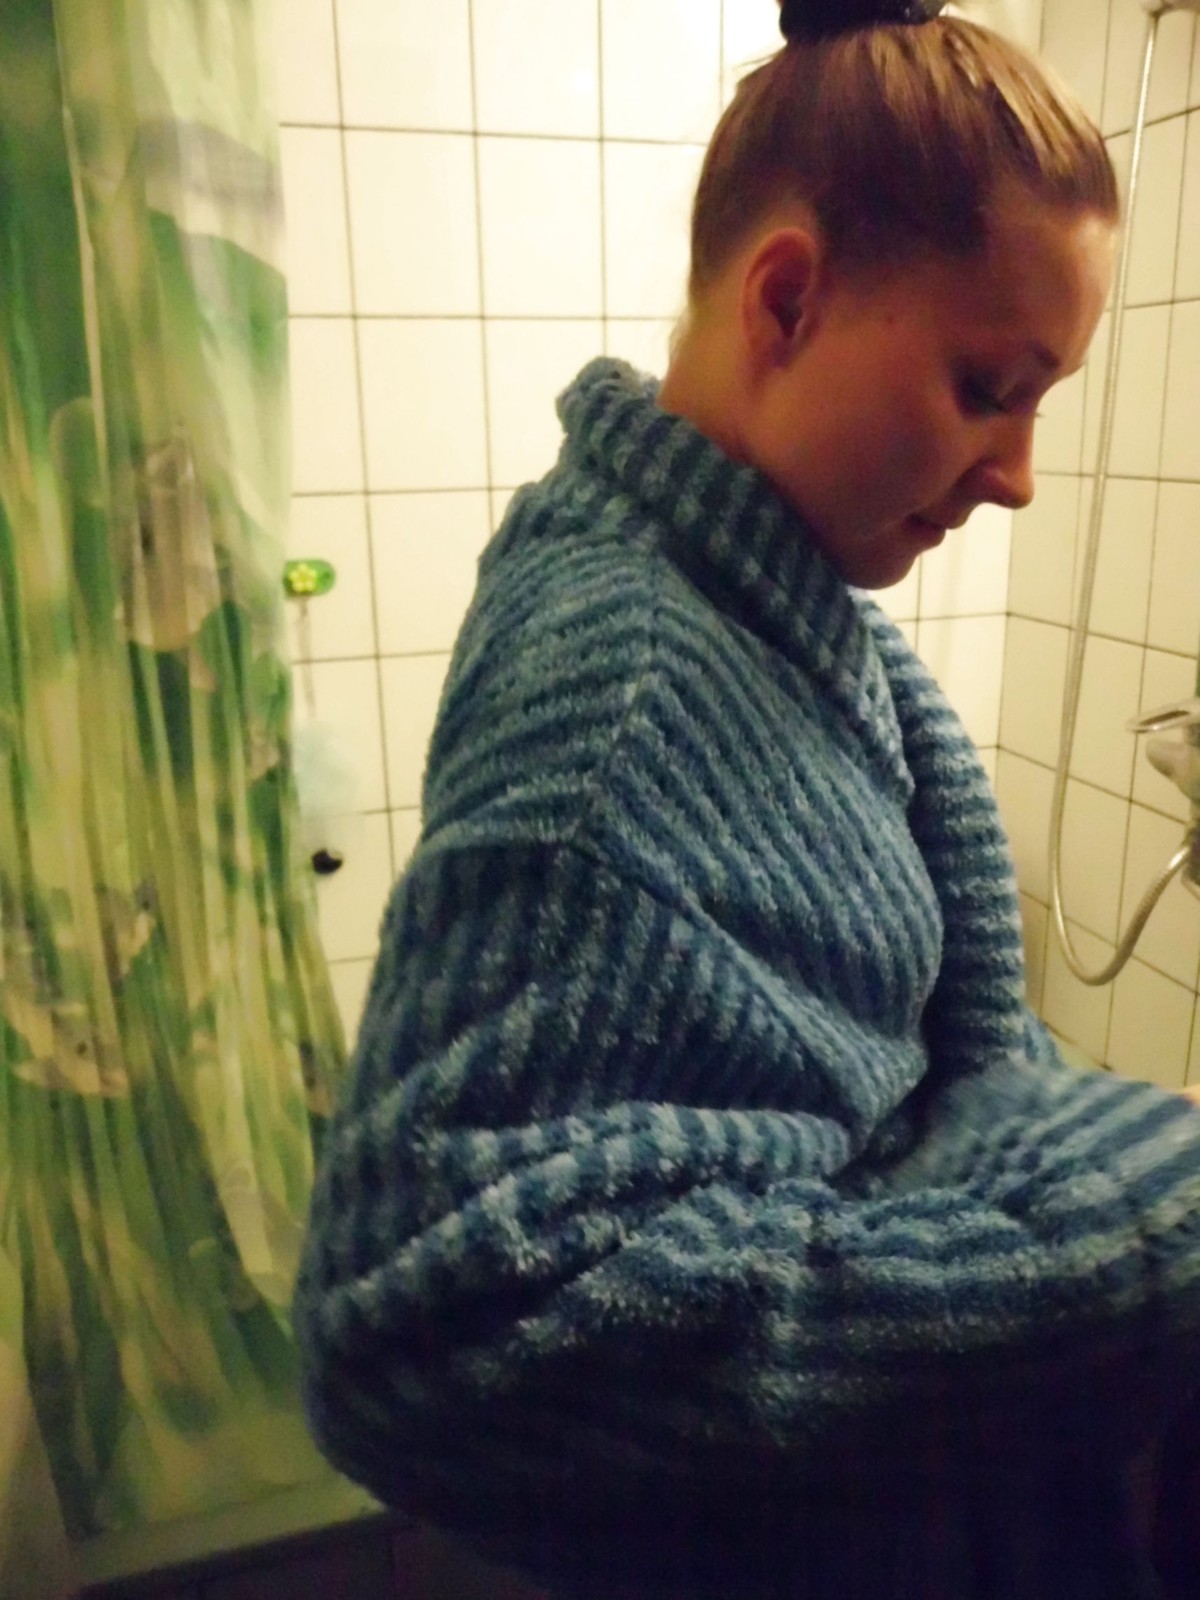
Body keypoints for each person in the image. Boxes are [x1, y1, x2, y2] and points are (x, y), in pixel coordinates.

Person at [293, 4, 1200, 1597]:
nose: (1018, 476)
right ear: (787, 297)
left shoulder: (772, 610)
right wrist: (1135, 1237)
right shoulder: (624, 681)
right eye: (989, 386)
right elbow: (431, 1335)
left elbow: (890, 1061)